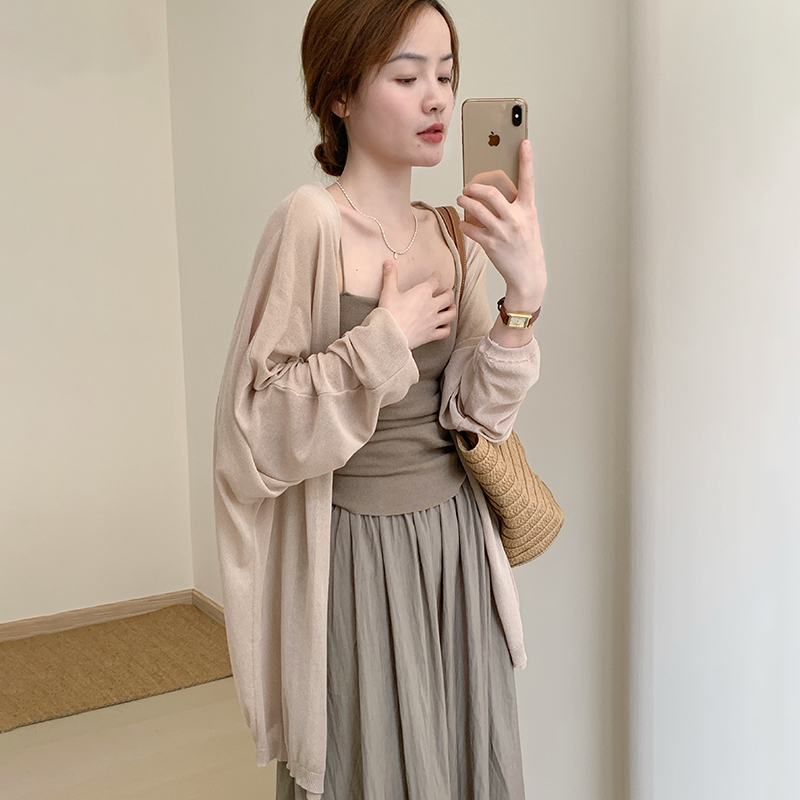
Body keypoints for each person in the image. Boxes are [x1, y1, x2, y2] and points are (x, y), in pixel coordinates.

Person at [212, 0, 548, 798]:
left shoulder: (454, 235)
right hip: (354, 560)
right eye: (407, 76)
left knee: (462, 758)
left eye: (446, 76)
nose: (437, 98)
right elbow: (254, 432)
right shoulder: (310, 223)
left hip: (456, 553)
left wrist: (522, 299)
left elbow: (475, 417)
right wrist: (382, 343)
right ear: (340, 94)